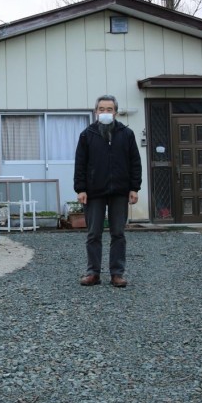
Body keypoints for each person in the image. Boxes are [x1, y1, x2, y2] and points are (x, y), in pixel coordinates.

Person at [74, 94, 142, 288]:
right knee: (94, 234)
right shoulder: (87, 134)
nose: (105, 113)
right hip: (94, 191)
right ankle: (93, 273)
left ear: (116, 112)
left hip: (120, 191)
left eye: (109, 109)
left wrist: (134, 188)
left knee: (118, 233)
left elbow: (135, 163)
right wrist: (81, 189)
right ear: (96, 112)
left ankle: (117, 273)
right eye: (101, 109)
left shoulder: (126, 134)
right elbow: (80, 164)